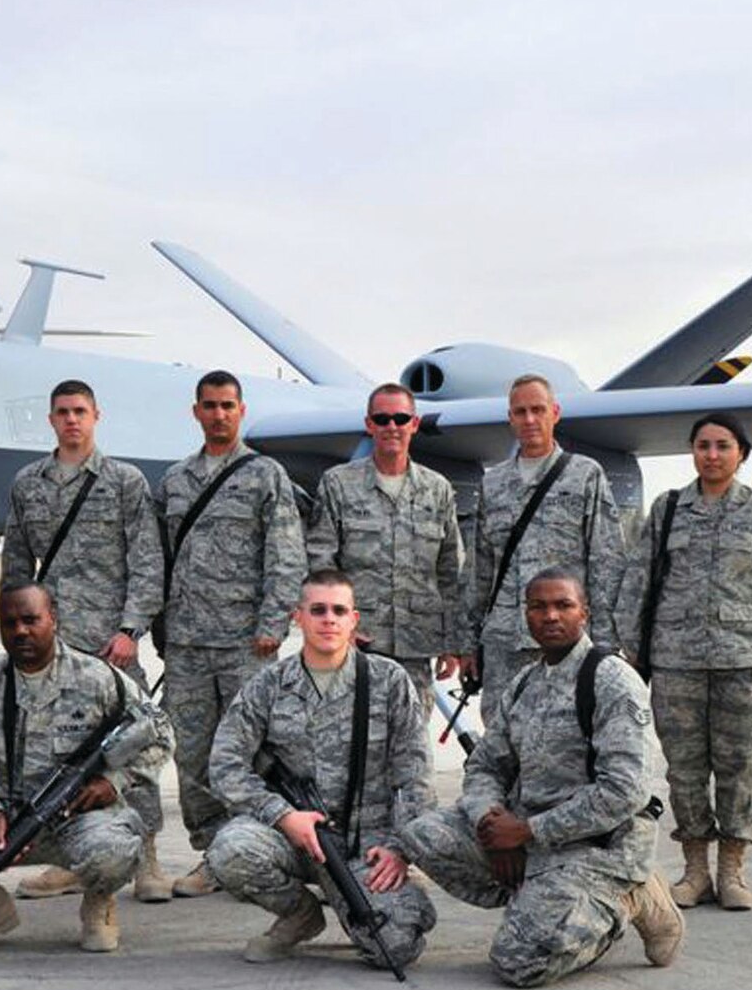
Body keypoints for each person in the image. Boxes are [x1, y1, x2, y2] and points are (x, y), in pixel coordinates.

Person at [403, 568, 683, 988]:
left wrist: (528, 832)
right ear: (526, 615)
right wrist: (491, 823)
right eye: (538, 606)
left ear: (583, 613)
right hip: (523, 835)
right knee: (422, 833)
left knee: (519, 963)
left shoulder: (611, 680)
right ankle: (541, 899)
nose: (550, 616)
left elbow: (624, 790)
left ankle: (632, 897)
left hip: (598, 847)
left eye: (563, 605)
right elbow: (485, 765)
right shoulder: (524, 683)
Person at [0, 582, 174, 954]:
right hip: (2, 820)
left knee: (117, 845)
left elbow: (160, 734)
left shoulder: (98, 679)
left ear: (54, 620)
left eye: (31, 620)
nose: (21, 631)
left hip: (77, 820)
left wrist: (114, 781)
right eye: (9, 623)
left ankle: (98, 901)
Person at [614, 412, 752, 912]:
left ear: (741, 453)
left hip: (742, 660)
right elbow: (639, 578)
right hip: (675, 660)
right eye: (703, 445)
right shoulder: (669, 509)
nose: (712, 454)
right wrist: (632, 650)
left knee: (740, 766)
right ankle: (695, 870)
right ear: (692, 452)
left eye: (722, 445)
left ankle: (732, 870)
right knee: (686, 770)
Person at [206, 569, 437, 970]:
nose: (328, 619)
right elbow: (225, 765)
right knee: (230, 851)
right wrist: (283, 816)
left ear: (354, 619)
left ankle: (372, 899)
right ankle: (300, 913)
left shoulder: (388, 681)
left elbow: (413, 775)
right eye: (317, 610)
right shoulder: (269, 685)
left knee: (395, 947)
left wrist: (402, 849)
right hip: (294, 838)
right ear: (299, 617)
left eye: (338, 610)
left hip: (368, 844)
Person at [1, 379, 173, 903]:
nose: (71, 420)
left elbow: (146, 561)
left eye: (80, 411)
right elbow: (15, 564)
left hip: (109, 644)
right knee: (57, 752)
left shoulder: (124, 481)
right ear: (51, 419)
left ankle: (146, 859)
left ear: (96, 416)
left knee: (134, 744)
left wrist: (130, 630)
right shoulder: (28, 483)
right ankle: (69, 859)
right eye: (62, 412)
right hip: (50, 647)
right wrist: (18, 634)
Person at [153, 369, 306, 897]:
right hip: (188, 642)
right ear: (196, 412)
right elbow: (161, 559)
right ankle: (213, 854)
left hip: (245, 641)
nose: (218, 414)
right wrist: (161, 626)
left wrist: (272, 622)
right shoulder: (175, 480)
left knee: (250, 751)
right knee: (193, 753)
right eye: (209, 405)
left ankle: (252, 849)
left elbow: (286, 555)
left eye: (227, 405)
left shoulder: (266, 475)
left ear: (241, 411)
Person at [465, 374, 629, 727]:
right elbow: (480, 569)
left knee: (568, 738)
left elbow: (607, 560)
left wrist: (605, 643)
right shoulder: (492, 483)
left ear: (555, 413)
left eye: (537, 410)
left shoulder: (585, 475)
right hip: (504, 642)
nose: (529, 420)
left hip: (567, 639)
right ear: (509, 418)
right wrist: (470, 641)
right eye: (520, 412)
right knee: (503, 739)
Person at [305, 383, 466, 720]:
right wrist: (336, 627)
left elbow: (451, 571)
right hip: (356, 645)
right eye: (382, 419)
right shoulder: (338, 484)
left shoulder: (437, 490)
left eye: (400, 418)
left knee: (409, 748)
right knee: (348, 742)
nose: (391, 426)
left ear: (414, 424)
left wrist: (454, 641)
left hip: (416, 645)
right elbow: (321, 564)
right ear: (369, 424)